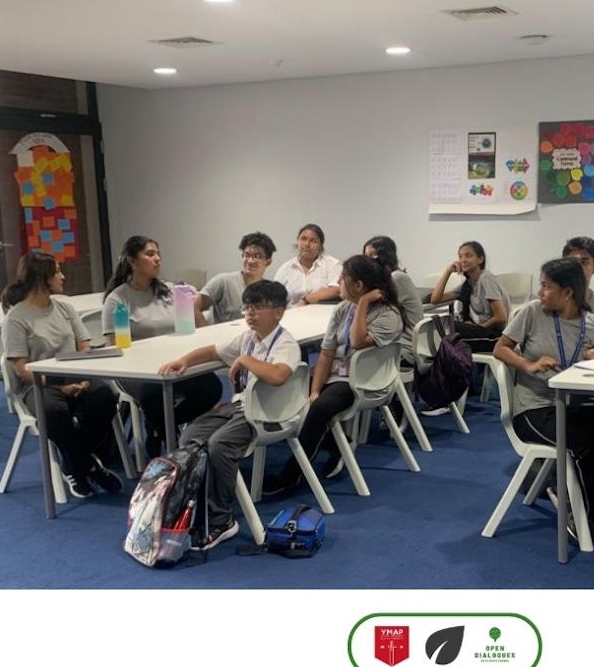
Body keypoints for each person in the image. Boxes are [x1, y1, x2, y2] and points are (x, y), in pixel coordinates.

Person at [493, 258, 594, 538]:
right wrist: (526, 365)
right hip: (534, 408)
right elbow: (501, 348)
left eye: (546, 287)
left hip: (575, 404)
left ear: (567, 293)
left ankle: (576, 491)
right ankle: (591, 508)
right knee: (581, 443)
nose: (539, 292)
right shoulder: (531, 313)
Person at [159, 280, 301, 550]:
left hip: (268, 414)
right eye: (247, 307)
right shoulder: (248, 338)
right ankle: (193, 505)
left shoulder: (285, 343)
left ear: (278, 312)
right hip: (241, 406)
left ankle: (221, 518)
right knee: (192, 434)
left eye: (257, 307)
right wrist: (185, 360)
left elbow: (279, 375)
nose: (249, 313)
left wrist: (245, 361)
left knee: (220, 444)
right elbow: (213, 351)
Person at [262, 254, 404, 495]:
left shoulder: (388, 315)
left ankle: (291, 474)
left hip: (360, 381)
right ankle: (338, 444)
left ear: (358, 286)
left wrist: (361, 305)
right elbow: (326, 354)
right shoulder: (340, 309)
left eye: (343, 279)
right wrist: (315, 390)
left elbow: (357, 342)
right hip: (335, 375)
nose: (338, 283)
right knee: (287, 392)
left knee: (319, 410)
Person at [1, 252, 123, 499]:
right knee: (53, 412)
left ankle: (75, 462)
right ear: (43, 278)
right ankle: (85, 466)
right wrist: (60, 385)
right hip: (39, 384)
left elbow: (84, 346)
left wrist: (82, 377)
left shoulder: (65, 307)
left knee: (104, 396)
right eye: (58, 271)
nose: (62, 276)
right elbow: (22, 369)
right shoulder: (16, 318)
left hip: (74, 375)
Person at [102, 235, 223, 456]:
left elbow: (193, 327)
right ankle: (174, 448)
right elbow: (116, 347)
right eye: (150, 254)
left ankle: (159, 429)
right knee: (154, 396)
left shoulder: (170, 291)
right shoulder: (118, 299)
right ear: (132, 261)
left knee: (211, 387)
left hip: (173, 363)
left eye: (158, 254)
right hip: (137, 370)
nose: (157, 259)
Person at [429, 240, 511, 353]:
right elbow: (435, 299)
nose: (463, 260)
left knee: (447, 327)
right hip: (482, 331)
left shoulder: (486, 278)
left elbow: (501, 317)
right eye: (460, 256)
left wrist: (477, 327)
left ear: (480, 259)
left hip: (496, 337)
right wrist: (448, 271)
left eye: (468, 255)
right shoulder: (468, 284)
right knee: (440, 325)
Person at [363, 235, 423, 366]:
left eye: (372, 256)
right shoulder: (389, 278)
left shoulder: (396, 278)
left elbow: (374, 313)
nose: (367, 262)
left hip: (404, 347)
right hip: (393, 342)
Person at [194, 231, 276, 325]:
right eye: (247, 255)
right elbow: (194, 307)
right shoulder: (224, 282)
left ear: (268, 262)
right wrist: (207, 334)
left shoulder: (269, 290)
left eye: (257, 256)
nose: (250, 261)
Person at [273, 223, 341, 307]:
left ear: (320, 246)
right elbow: (274, 298)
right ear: (297, 241)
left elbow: (337, 289)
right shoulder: (285, 268)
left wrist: (306, 299)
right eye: (303, 239)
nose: (307, 244)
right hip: (290, 315)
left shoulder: (332, 264)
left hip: (322, 316)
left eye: (313, 241)